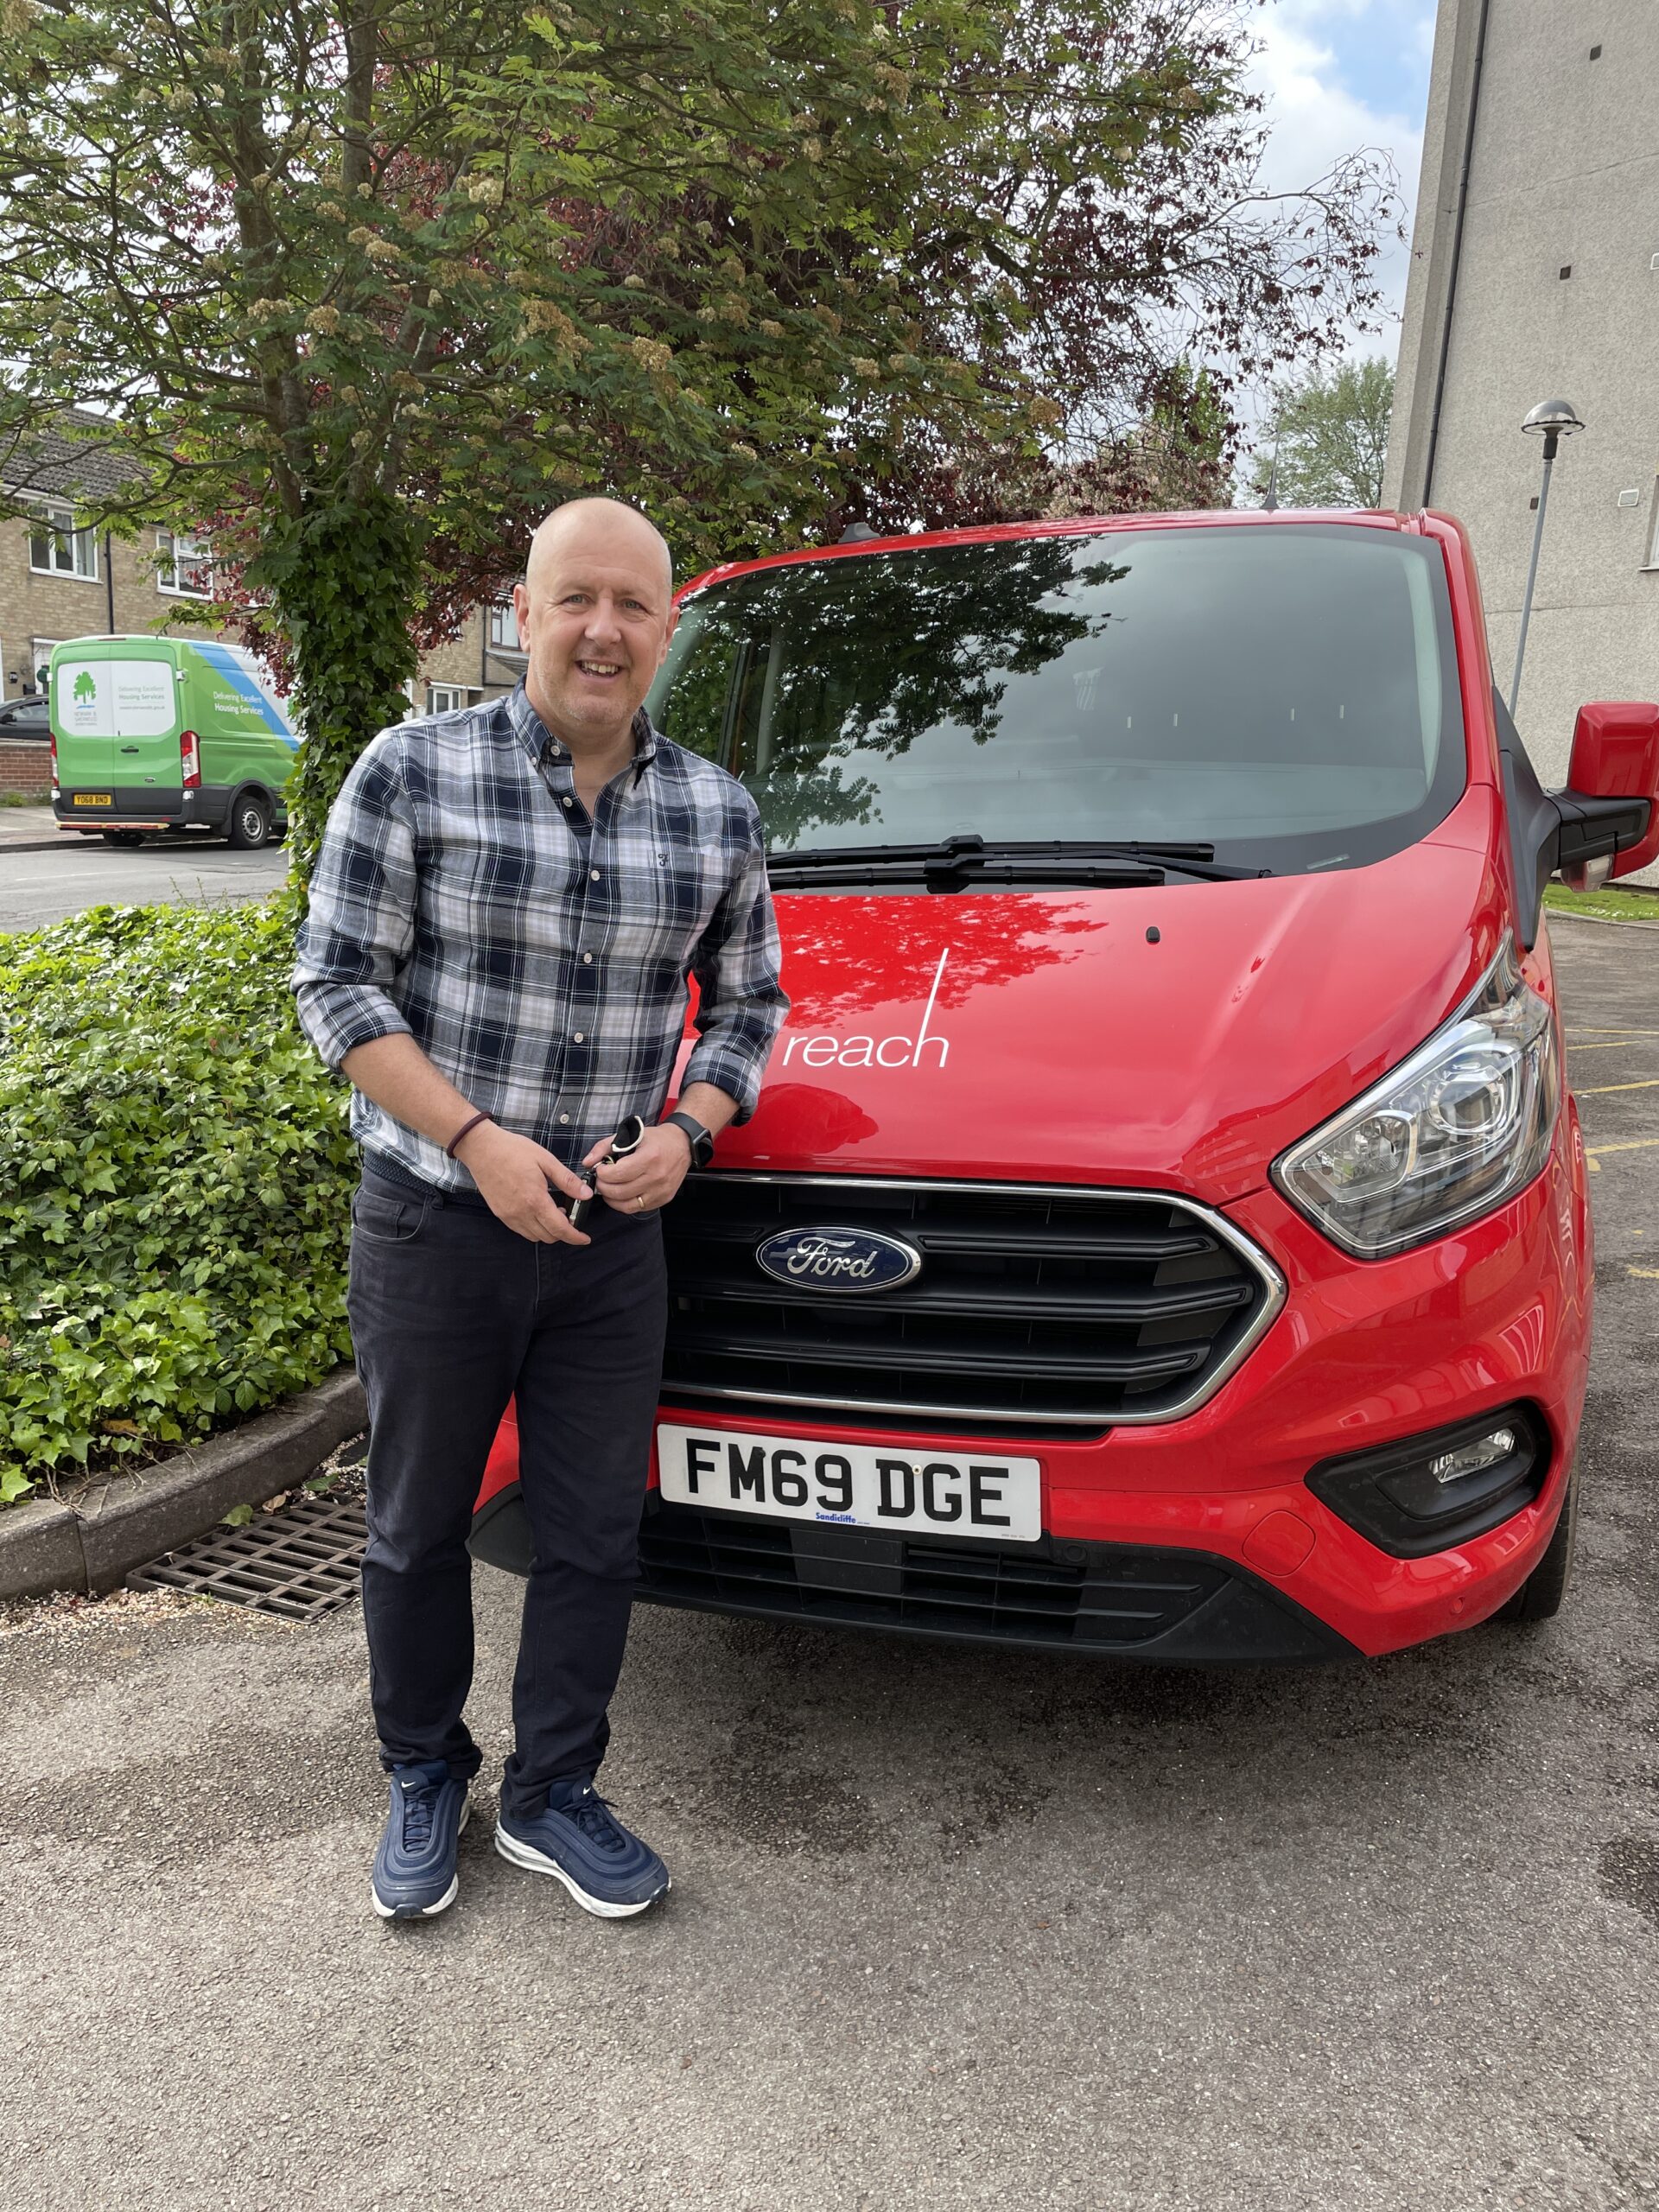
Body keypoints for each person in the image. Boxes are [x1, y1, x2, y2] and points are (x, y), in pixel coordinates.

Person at [291, 498, 787, 1922]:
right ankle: (423, 1771)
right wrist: (475, 1137)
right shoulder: (410, 771)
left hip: (611, 1242)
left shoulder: (714, 812)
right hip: (436, 1221)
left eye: (634, 605)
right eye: (577, 599)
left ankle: (556, 1791)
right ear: (525, 612)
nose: (604, 630)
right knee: (415, 1524)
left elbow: (751, 1003)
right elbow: (336, 986)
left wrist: (691, 1130)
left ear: (667, 629)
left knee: (592, 1532)